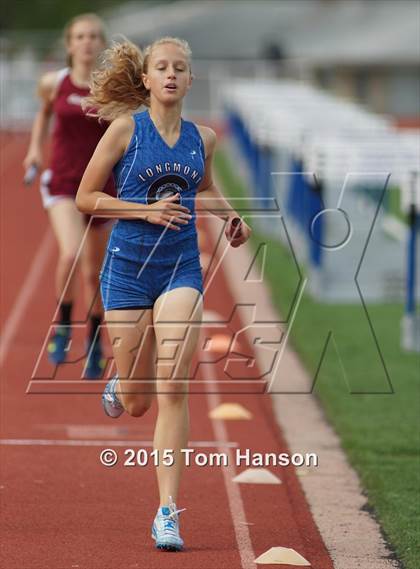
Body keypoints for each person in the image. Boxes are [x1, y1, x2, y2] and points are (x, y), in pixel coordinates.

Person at [76, 37, 251, 551]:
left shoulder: (204, 138)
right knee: (136, 403)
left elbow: (204, 188)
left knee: (174, 387)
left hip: (179, 271)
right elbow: (87, 198)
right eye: (161, 67)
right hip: (128, 272)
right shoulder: (125, 130)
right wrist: (144, 211)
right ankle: (121, 383)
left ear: (190, 81)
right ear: (147, 80)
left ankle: (167, 512)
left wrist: (231, 216)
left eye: (180, 68)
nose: (171, 75)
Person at [23, 13, 114, 378]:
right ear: (69, 43)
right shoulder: (53, 82)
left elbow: (125, 129)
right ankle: (63, 325)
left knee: (94, 274)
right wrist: (34, 148)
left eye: (93, 36)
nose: (87, 42)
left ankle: (93, 338)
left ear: (101, 43)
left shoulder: (113, 87)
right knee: (70, 253)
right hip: (61, 182)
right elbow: (44, 114)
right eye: (80, 36)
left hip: (101, 187)